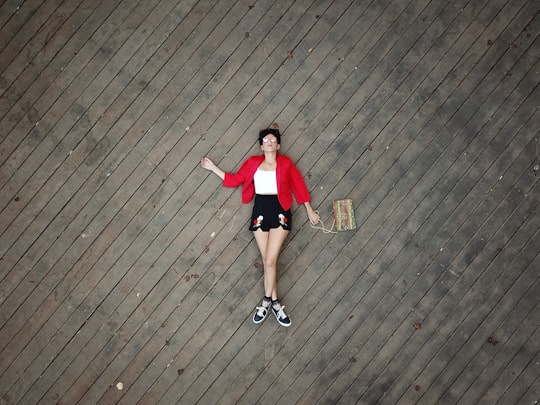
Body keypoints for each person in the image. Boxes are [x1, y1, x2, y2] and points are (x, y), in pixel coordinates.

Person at [201, 128, 320, 327]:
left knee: (271, 259)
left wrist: (309, 209)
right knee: (267, 261)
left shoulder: (286, 163)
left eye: (273, 139)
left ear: (278, 145)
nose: (270, 142)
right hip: (260, 212)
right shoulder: (253, 163)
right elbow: (235, 180)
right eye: (266, 140)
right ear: (261, 145)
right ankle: (275, 304)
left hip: (280, 210)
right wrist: (213, 168)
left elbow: (298, 185)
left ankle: (265, 302)